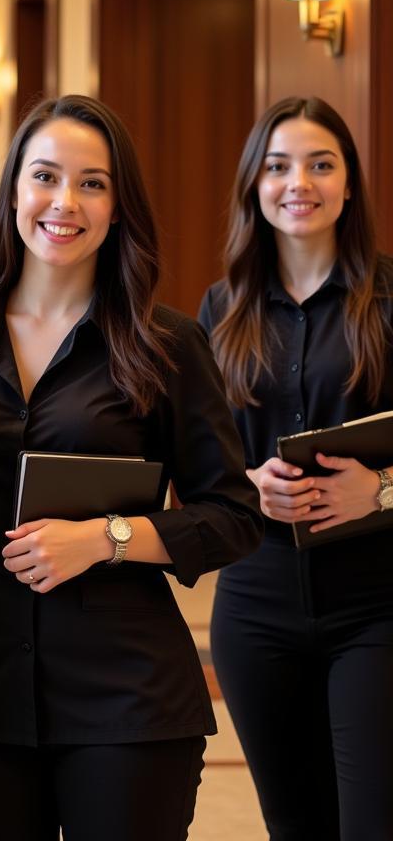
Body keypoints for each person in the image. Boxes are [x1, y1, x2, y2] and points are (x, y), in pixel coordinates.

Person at [0, 95, 263, 841]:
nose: (65, 202)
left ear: (119, 207)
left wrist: (106, 539)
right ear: (13, 190)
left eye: (92, 183)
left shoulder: (168, 343)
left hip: (127, 692)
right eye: (45, 177)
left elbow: (234, 517)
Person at [198, 96, 393, 840]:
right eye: (277, 166)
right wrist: (248, 486)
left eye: (321, 164)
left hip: (378, 602)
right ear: (255, 182)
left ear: (348, 185)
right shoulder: (220, 309)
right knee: (293, 825)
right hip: (256, 604)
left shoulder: (390, 300)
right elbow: (200, 463)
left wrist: (379, 490)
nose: (297, 183)